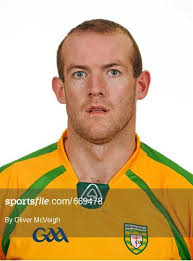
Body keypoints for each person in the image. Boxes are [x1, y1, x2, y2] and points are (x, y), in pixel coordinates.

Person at [0, 19, 192, 260]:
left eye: (113, 72)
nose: (96, 89)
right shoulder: (7, 188)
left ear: (140, 85)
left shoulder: (184, 195)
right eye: (80, 74)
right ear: (61, 90)